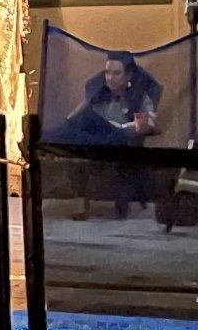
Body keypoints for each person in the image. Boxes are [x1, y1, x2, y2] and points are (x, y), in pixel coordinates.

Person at [52, 51, 162, 215]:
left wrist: (121, 128)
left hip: (118, 140)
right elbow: (75, 116)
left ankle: (47, 139)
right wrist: (72, 120)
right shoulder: (100, 93)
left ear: (129, 75)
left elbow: (148, 124)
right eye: (107, 72)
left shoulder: (138, 96)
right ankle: (50, 138)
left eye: (116, 73)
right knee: (74, 125)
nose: (110, 78)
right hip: (92, 140)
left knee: (77, 127)